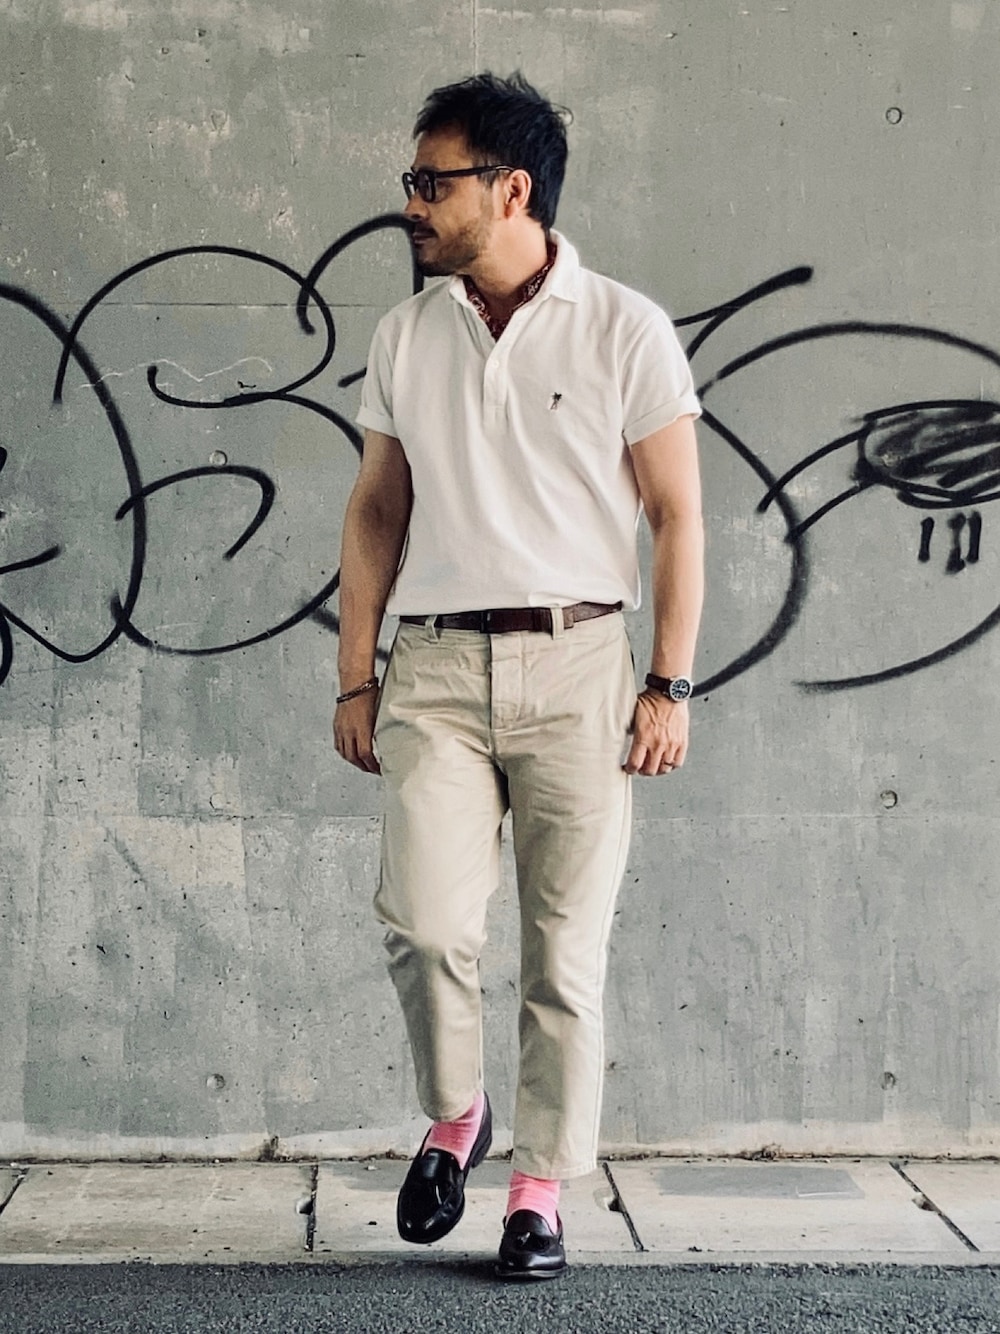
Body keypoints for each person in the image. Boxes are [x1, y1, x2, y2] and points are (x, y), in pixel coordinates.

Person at [333, 71, 703, 1281]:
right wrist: (353, 676)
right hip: (434, 667)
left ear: (510, 189)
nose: (412, 204)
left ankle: (538, 1191)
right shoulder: (407, 333)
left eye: (431, 182)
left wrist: (668, 685)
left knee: (563, 953)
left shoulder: (623, 327)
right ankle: (458, 1113)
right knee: (425, 922)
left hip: (582, 663)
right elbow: (377, 507)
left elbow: (676, 515)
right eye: (412, 181)